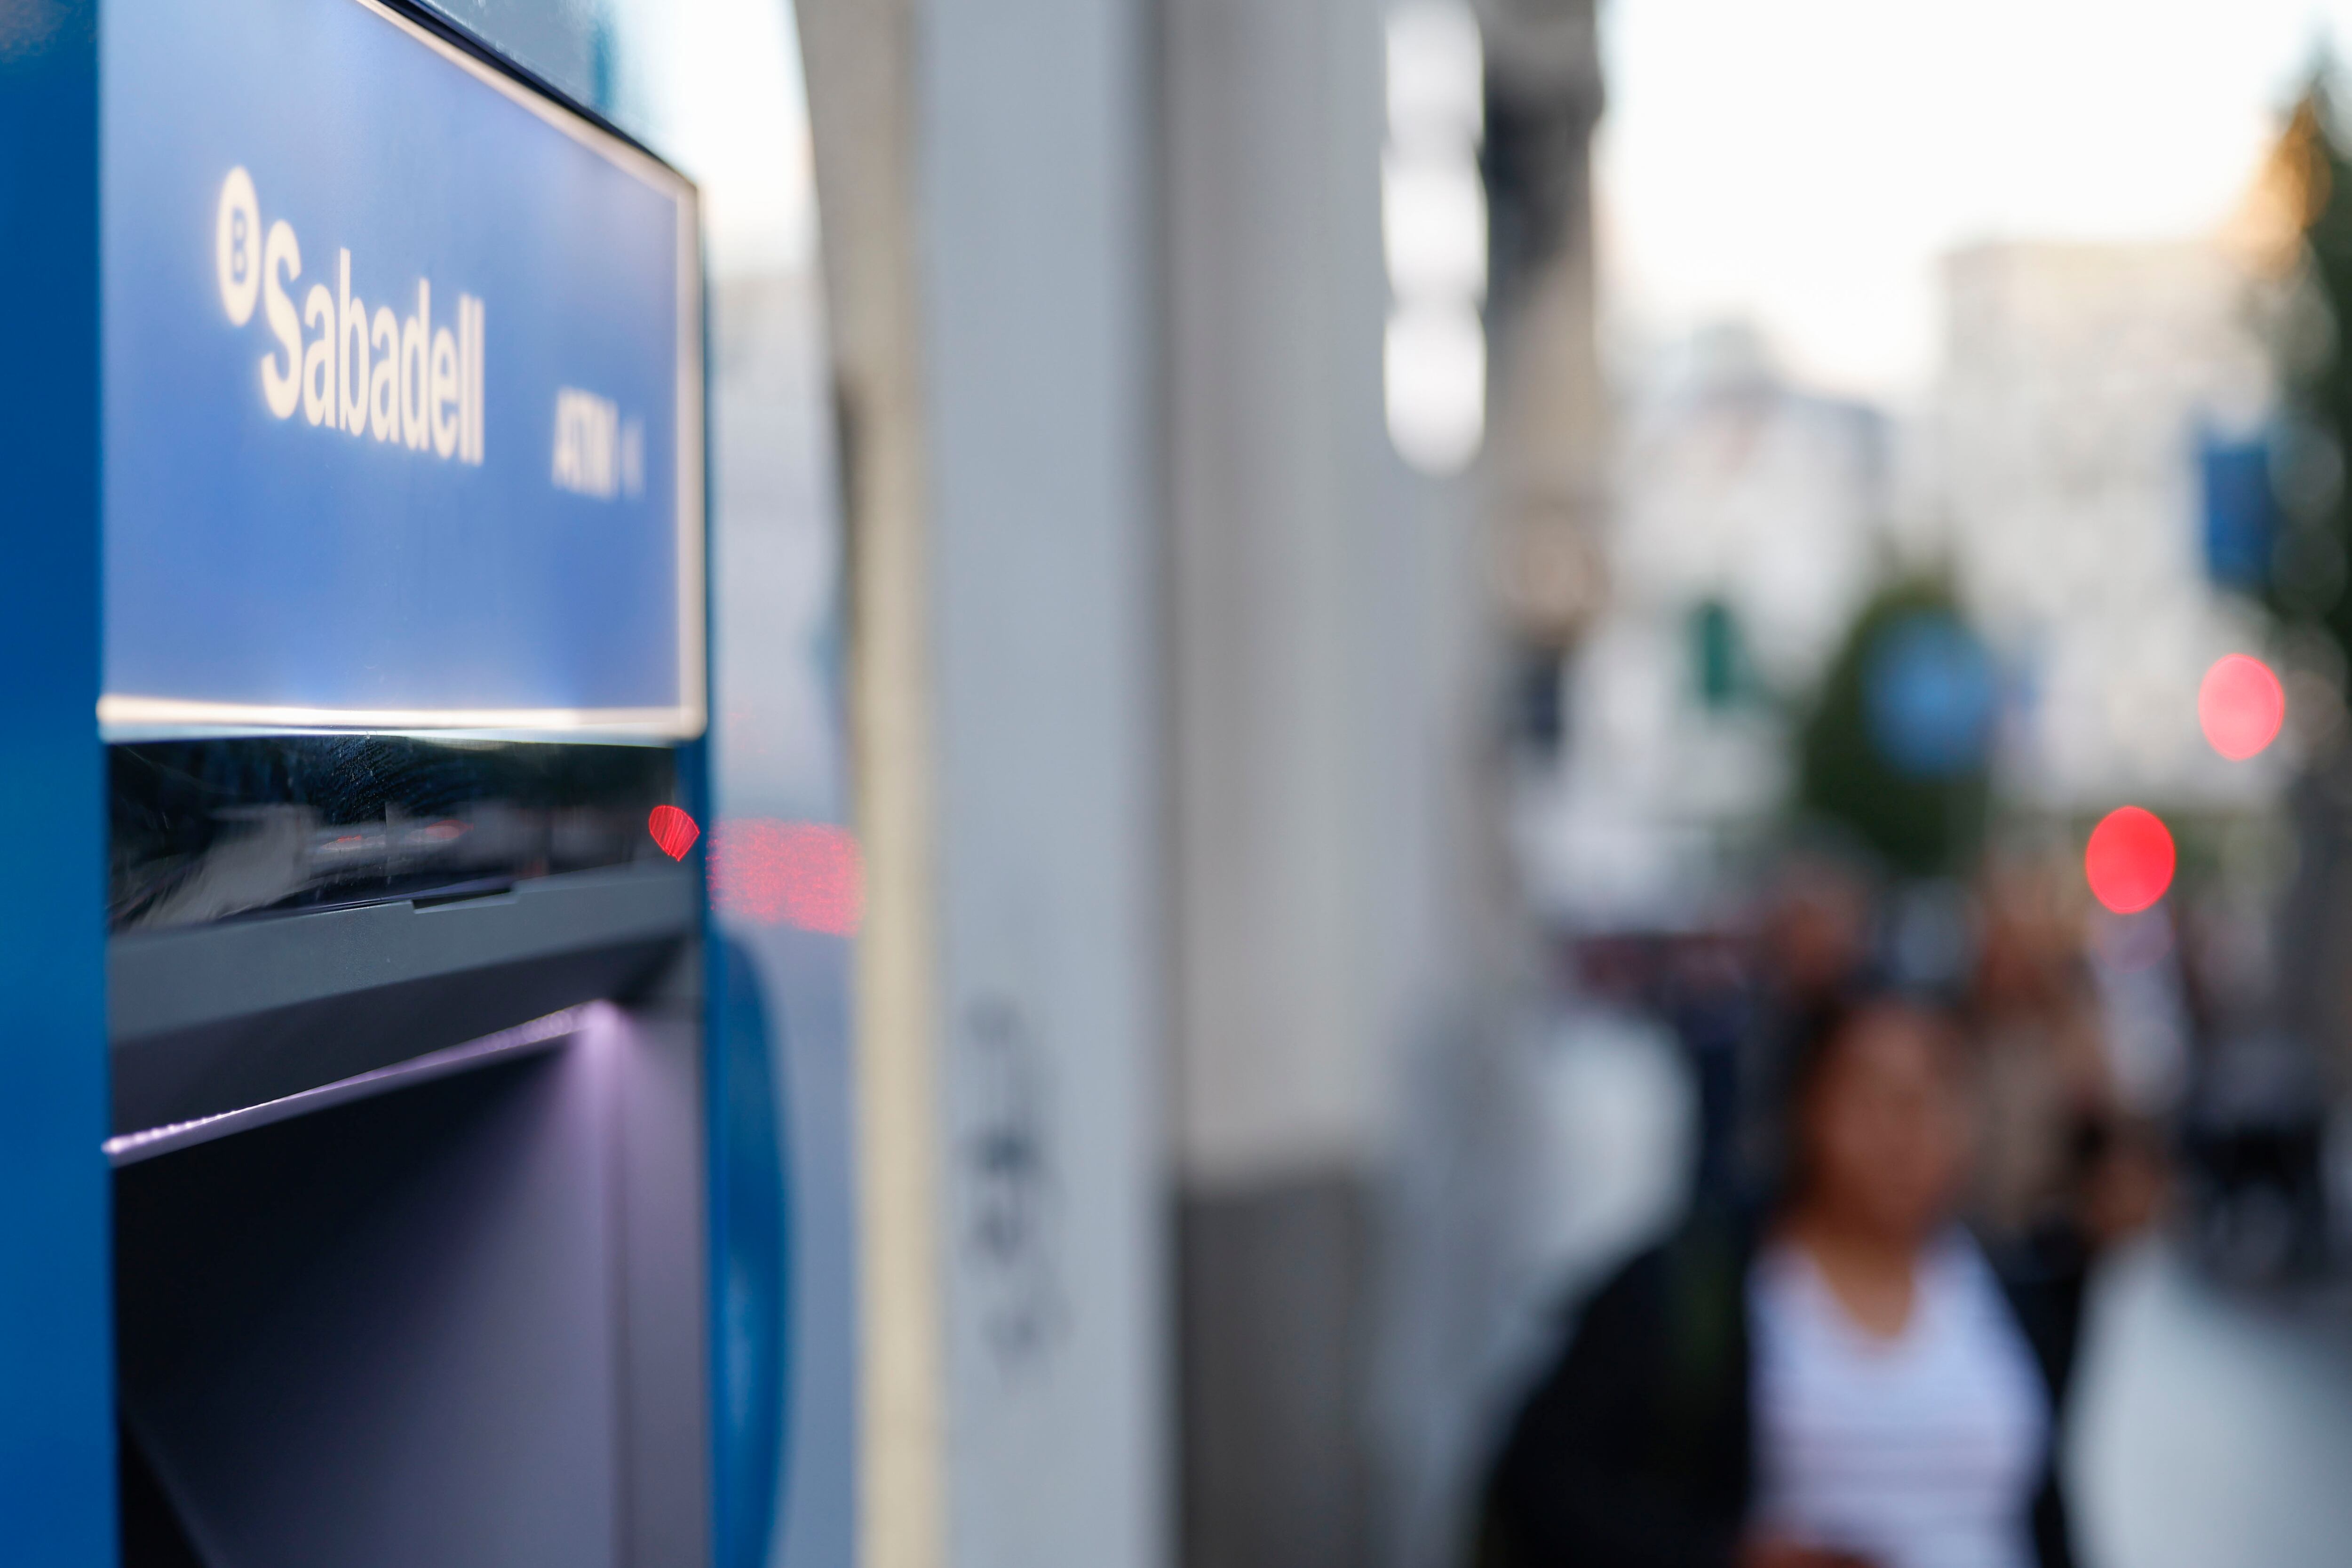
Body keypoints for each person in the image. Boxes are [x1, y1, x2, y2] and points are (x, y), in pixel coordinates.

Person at [1477, 998, 2082, 1568]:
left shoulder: (2013, 1295)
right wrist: (1726, 1555)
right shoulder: (1695, 1287)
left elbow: (2047, 1512)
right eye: (1872, 1096)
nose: (1905, 1130)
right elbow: (1542, 1481)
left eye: (1935, 1095)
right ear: (1806, 1108)